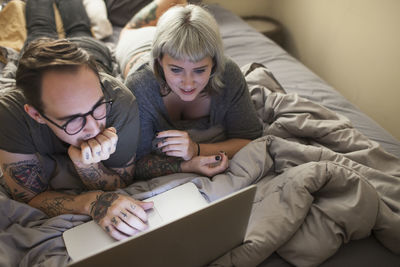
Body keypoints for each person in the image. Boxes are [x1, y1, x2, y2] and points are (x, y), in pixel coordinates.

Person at [0, 0, 225, 241]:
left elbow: (122, 180)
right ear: (36, 114)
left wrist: (88, 167)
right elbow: (30, 196)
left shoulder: (118, 101)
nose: (94, 127)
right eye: (72, 120)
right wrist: (88, 202)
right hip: (38, 56)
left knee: (80, 29)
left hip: (90, 53)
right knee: (40, 28)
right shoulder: (10, 116)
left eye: (97, 108)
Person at [116, 3, 263, 167]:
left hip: (172, 44)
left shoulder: (228, 73)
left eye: (200, 70)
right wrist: (186, 165)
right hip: (136, 46)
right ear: (159, 63)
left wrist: (196, 149)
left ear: (214, 63)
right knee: (128, 30)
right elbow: (137, 161)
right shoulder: (140, 85)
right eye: (176, 70)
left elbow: (250, 138)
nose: (188, 83)